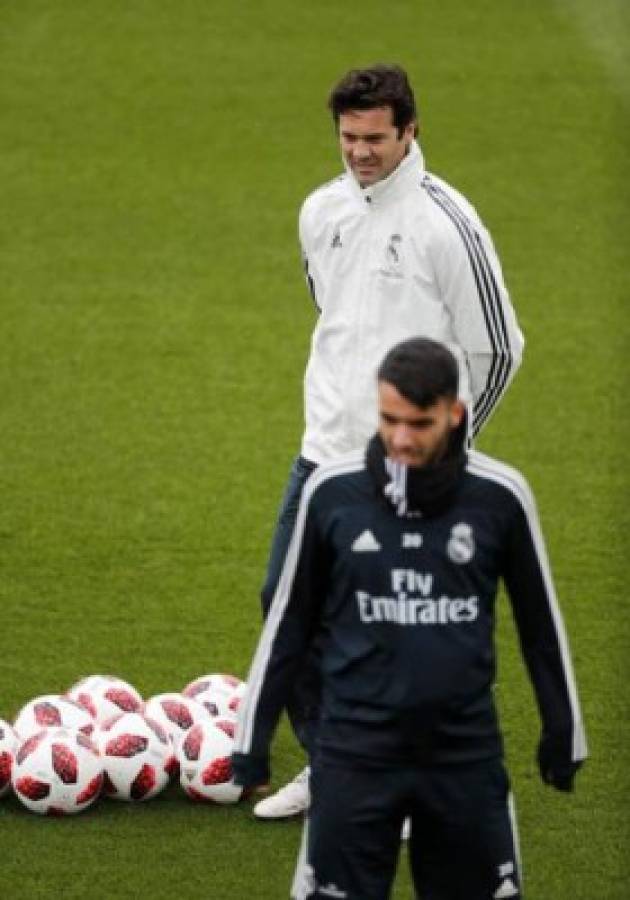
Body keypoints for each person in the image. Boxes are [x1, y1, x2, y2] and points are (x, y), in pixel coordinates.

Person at [255, 63, 525, 819]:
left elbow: (498, 348)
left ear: (409, 131)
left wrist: (446, 449)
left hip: (413, 469)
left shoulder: (448, 225)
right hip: (324, 454)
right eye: (348, 137)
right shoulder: (321, 212)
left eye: (375, 138)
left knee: (409, 630)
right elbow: (334, 313)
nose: (360, 152)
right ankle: (334, 766)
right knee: (289, 603)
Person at [233, 337, 587, 900]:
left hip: (462, 757)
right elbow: (289, 622)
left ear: (456, 413)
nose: (400, 438)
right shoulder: (332, 494)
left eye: (419, 423)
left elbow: (540, 625)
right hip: (353, 754)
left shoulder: (500, 497)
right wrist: (253, 738)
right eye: (389, 418)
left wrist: (563, 729)